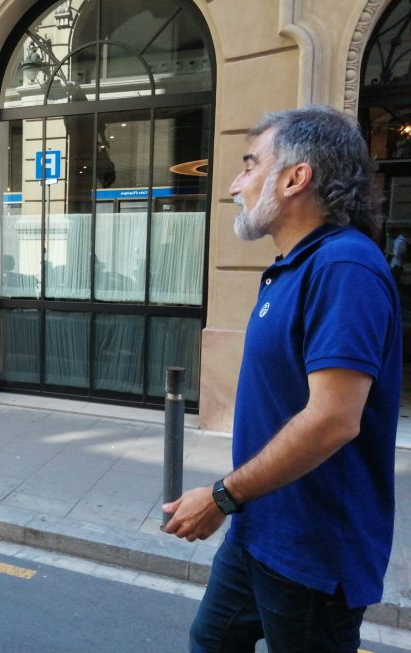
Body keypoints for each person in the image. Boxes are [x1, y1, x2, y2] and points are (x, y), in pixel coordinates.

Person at [162, 105, 401, 652]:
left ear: (296, 178)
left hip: (312, 552)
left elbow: (331, 421)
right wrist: (237, 504)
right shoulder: (292, 267)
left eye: (250, 166)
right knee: (211, 643)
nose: (233, 185)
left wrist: (221, 496)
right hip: (259, 529)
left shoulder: (344, 267)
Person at [389, 226, 406, 290]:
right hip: (399, 264)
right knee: (397, 280)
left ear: (394, 233)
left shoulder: (398, 242)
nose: (390, 236)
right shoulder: (402, 240)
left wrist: (388, 251)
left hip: (396, 264)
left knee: (395, 281)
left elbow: (396, 254)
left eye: (390, 234)